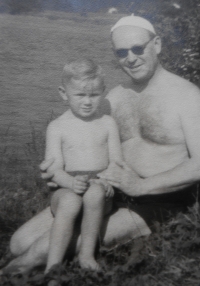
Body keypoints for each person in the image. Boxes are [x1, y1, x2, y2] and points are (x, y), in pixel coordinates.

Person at [1, 14, 200, 275]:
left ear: (157, 44)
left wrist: (141, 185)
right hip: (107, 193)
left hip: (160, 200)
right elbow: (78, 132)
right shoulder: (112, 98)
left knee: (41, 251)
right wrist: (55, 166)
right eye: (121, 52)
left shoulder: (186, 96)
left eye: (138, 48)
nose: (131, 58)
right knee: (19, 242)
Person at [43, 59, 122, 273]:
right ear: (63, 93)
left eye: (94, 95)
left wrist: (106, 178)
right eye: (80, 95)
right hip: (66, 188)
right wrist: (69, 181)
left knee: (95, 193)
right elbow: (53, 168)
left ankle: (86, 255)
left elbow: (116, 161)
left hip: (99, 187)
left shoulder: (107, 123)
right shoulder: (57, 127)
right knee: (69, 202)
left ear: (103, 92)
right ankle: (53, 266)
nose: (87, 102)